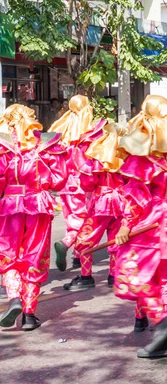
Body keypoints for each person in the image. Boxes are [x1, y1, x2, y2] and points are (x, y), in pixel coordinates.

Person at [113, 95, 167, 358]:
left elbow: (136, 192)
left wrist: (126, 224)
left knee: (132, 273)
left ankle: (161, 320)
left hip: (150, 221)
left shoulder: (146, 147)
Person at [0, 105, 68, 330]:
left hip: (10, 204)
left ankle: (14, 298)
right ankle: (29, 314)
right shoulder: (46, 145)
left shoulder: (3, 146)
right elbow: (59, 180)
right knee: (34, 256)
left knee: (8, 255)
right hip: (38, 203)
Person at [63, 123, 127, 290]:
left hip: (102, 202)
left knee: (84, 239)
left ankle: (86, 277)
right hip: (122, 202)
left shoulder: (99, 155)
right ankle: (114, 276)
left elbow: (88, 182)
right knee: (116, 240)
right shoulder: (127, 155)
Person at [51, 95, 104, 272]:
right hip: (83, 182)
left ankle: (75, 254)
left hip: (65, 183)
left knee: (71, 218)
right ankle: (69, 245)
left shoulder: (62, 127)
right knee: (84, 220)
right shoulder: (89, 130)